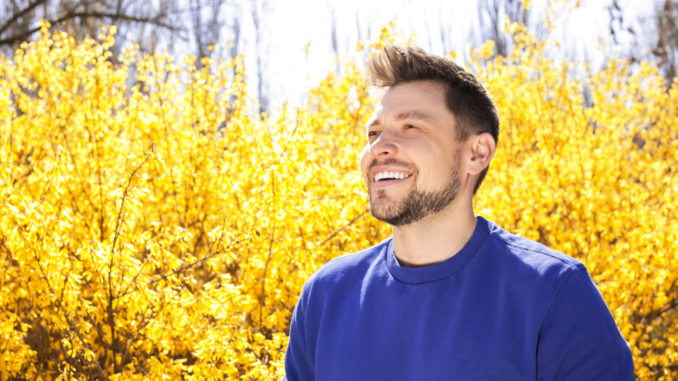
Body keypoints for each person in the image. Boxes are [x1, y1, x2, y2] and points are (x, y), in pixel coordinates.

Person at [284, 45, 634, 380]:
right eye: (374, 133)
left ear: (477, 153)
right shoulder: (326, 297)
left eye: (411, 127)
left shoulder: (554, 294)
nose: (379, 148)